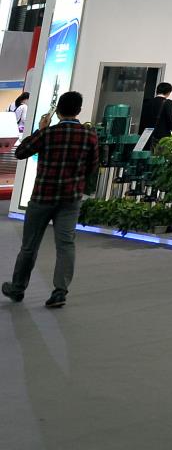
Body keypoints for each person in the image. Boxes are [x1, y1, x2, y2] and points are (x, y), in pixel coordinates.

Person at [3, 91, 99, 308]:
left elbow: (20, 152)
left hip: (43, 196)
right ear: (79, 110)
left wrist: (41, 128)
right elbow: (92, 167)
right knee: (66, 245)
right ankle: (60, 291)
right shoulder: (89, 136)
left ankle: (17, 288)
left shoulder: (48, 134)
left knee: (30, 246)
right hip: (71, 198)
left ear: (58, 112)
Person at [138, 83, 172, 150]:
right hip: (161, 139)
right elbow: (171, 120)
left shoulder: (146, 102)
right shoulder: (168, 103)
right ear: (168, 92)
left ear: (157, 91)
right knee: (159, 156)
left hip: (146, 137)